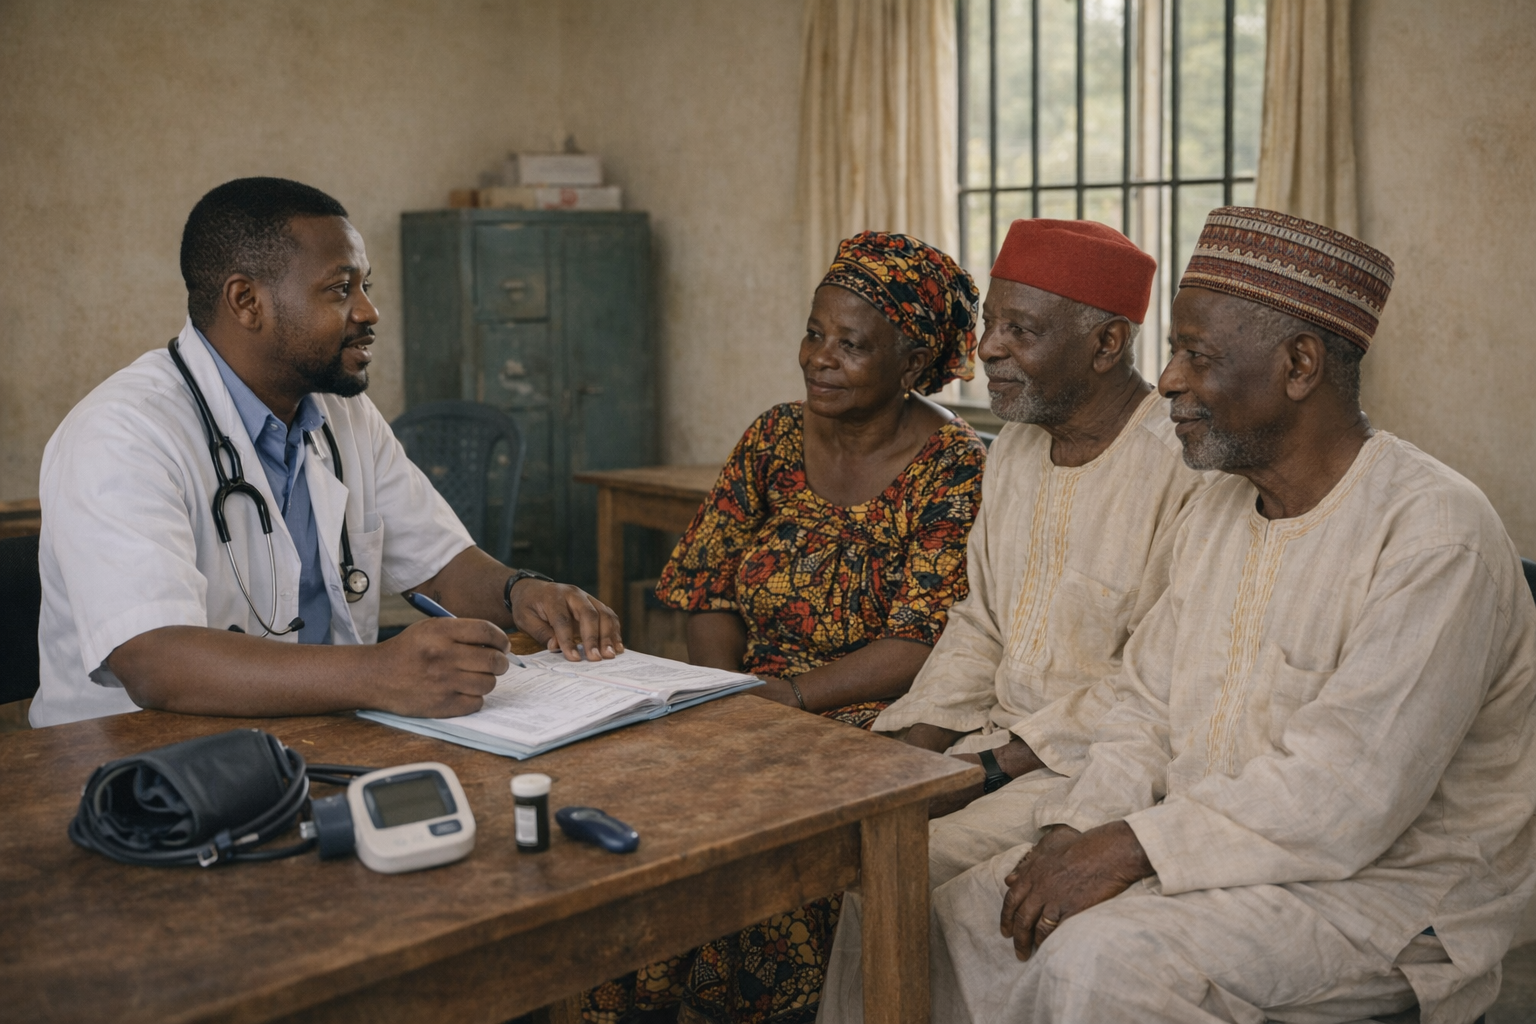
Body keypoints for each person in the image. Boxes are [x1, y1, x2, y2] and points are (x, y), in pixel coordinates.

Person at [932, 208, 1536, 1024]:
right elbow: (1144, 709)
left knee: (1101, 963)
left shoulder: (1434, 534)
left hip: (1386, 894)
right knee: (965, 915)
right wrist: (1078, 828)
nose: (1167, 380)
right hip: (1204, 851)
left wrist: (1129, 847)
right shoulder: (1220, 510)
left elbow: (1346, 794)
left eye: (1197, 355)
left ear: (1299, 365)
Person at [32, 177, 621, 728]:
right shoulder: (122, 433)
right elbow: (154, 660)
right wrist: (380, 673)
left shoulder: (341, 413)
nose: (368, 312)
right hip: (136, 770)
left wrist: (523, 591)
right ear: (246, 301)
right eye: (340, 289)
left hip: (313, 743)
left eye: (366, 286)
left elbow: (440, 566)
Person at [583, 231, 987, 1024]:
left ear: (912, 362)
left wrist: (789, 702)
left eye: (850, 345)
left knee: (768, 836)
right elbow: (707, 585)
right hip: (748, 695)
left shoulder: (952, 465)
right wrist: (729, 693)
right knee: (629, 798)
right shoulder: (773, 436)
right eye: (813, 332)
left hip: (868, 708)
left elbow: (920, 640)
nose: (818, 359)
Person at [815, 219, 1212, 1024]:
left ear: (1106, 345)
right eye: (991, 321)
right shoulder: (1016, 450)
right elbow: (981, 624)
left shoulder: (1186, 470)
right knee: (869, 853)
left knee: (909, 880)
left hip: (1097, 769)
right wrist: (910, 747)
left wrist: (989, 768)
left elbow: (1156, 685)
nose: (987, 347)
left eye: (1020, 331)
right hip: (994, 744)